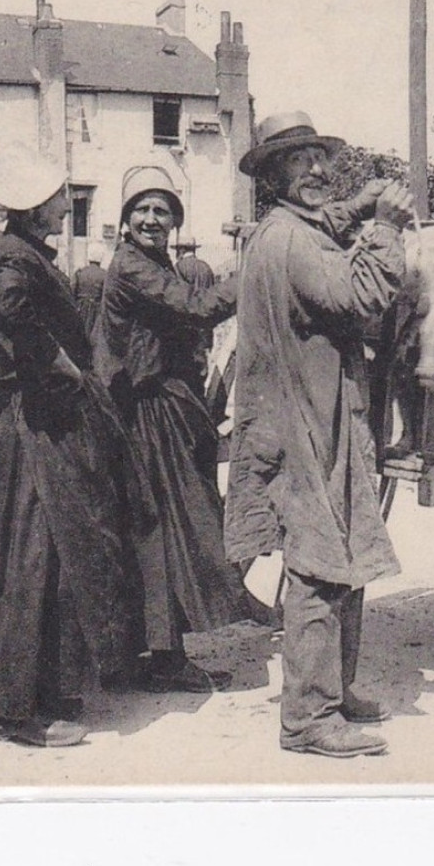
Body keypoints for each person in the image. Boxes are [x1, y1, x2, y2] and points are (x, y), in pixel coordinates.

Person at [0, 143, 163, 748]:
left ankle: (42, 689)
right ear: (36, 206)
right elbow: (9, 319)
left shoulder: (25, 251)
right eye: (62, 197)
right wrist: (62, 368)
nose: (67, 206)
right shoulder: (14, 258)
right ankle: (14, 711)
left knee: (50, 557)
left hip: (45, 425)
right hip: (39, 431)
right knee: (35, 558)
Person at [224, 111, 414, 759]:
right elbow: (358, 295)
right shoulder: (293, 242)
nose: (313, 171)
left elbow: (323, 228)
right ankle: (308, 717)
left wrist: (357, 207)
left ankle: (332, 689)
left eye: (318, 160)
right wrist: (385, 226)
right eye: (296, 162)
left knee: (341, 552)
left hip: (303, 414)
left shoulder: (283, 229)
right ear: (273, 175)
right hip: (302, 421)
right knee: (317, 565)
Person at [94, 164, 250, 692]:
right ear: (126, 219)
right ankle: (164, 656)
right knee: (169, 529)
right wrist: (255, 272)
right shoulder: (134, 267)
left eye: (162, 211)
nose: (152, 219)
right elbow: (199, 307)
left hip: (165, 404)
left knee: (168, 529)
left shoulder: (155, 262)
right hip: (146, 412)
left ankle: (161, 650)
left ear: (175, 222)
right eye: (142, 210)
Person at [171, 236, 217, 395]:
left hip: (186, 327)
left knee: (185, 368)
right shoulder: (206, 268)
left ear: (181, 250)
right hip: (205, 325)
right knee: (202, 365)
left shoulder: (178, 268)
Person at [72, 242, 108, 336]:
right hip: (97, 309)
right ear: (101, 258)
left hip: (81, 308)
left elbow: (72, 292)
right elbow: (106, 296)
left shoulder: (80, 273)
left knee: (81, 334)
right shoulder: (104, 275)